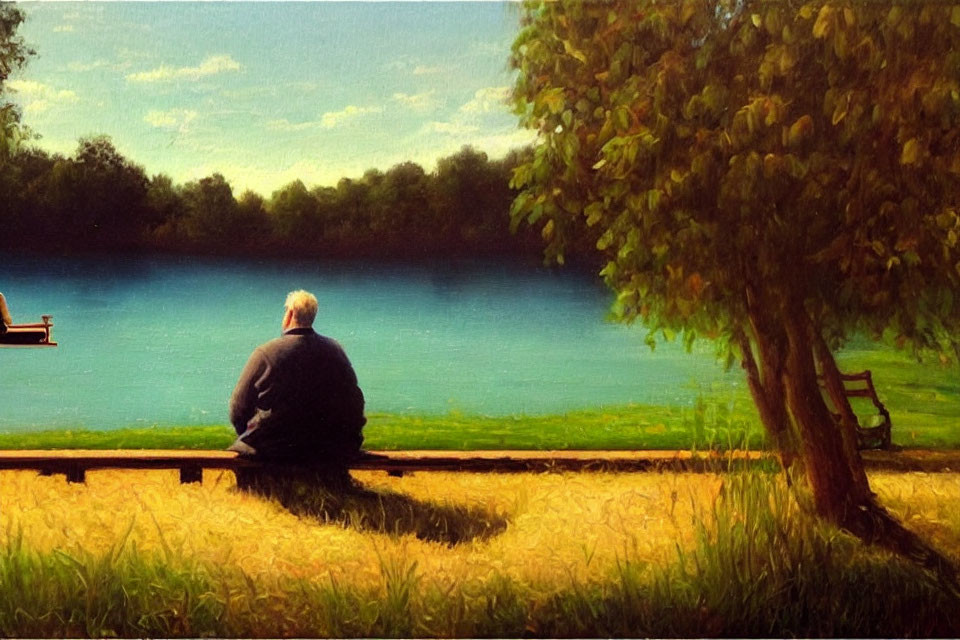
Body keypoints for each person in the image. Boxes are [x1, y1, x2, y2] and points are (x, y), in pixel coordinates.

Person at [228, 290, 366, 476]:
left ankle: (255, 488)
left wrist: (249, 433)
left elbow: (239, 408)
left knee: (242, 450)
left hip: (277, 449)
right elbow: (355, 401)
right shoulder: (336, 350)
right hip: (330, 447)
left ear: (290, 314)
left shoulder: (266, 352)